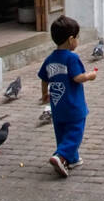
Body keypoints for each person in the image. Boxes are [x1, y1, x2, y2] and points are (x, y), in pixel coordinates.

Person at [38, 15, 98, 177]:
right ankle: (61, 156)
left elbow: (44, 78)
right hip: (74, 105)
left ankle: (72, 158)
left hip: (57, 106)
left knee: (62, 133)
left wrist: (45, 93)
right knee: (75, 133)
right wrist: (90, 75)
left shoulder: (50, 59)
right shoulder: (72, 58)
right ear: (71, 40)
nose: (77, 41)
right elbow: (77, 78)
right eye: (77, 38)